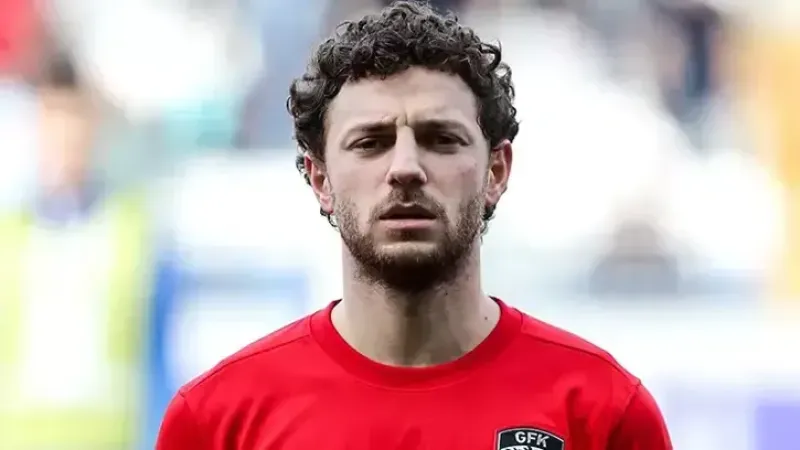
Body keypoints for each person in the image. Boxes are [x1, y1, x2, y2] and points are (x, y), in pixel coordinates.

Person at [156, 2, 673, 449]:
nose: (405, 168)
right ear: (320, 178)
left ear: (496, 171)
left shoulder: (602, 410)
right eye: (371, 143)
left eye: (441, 139)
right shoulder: (218, 420)